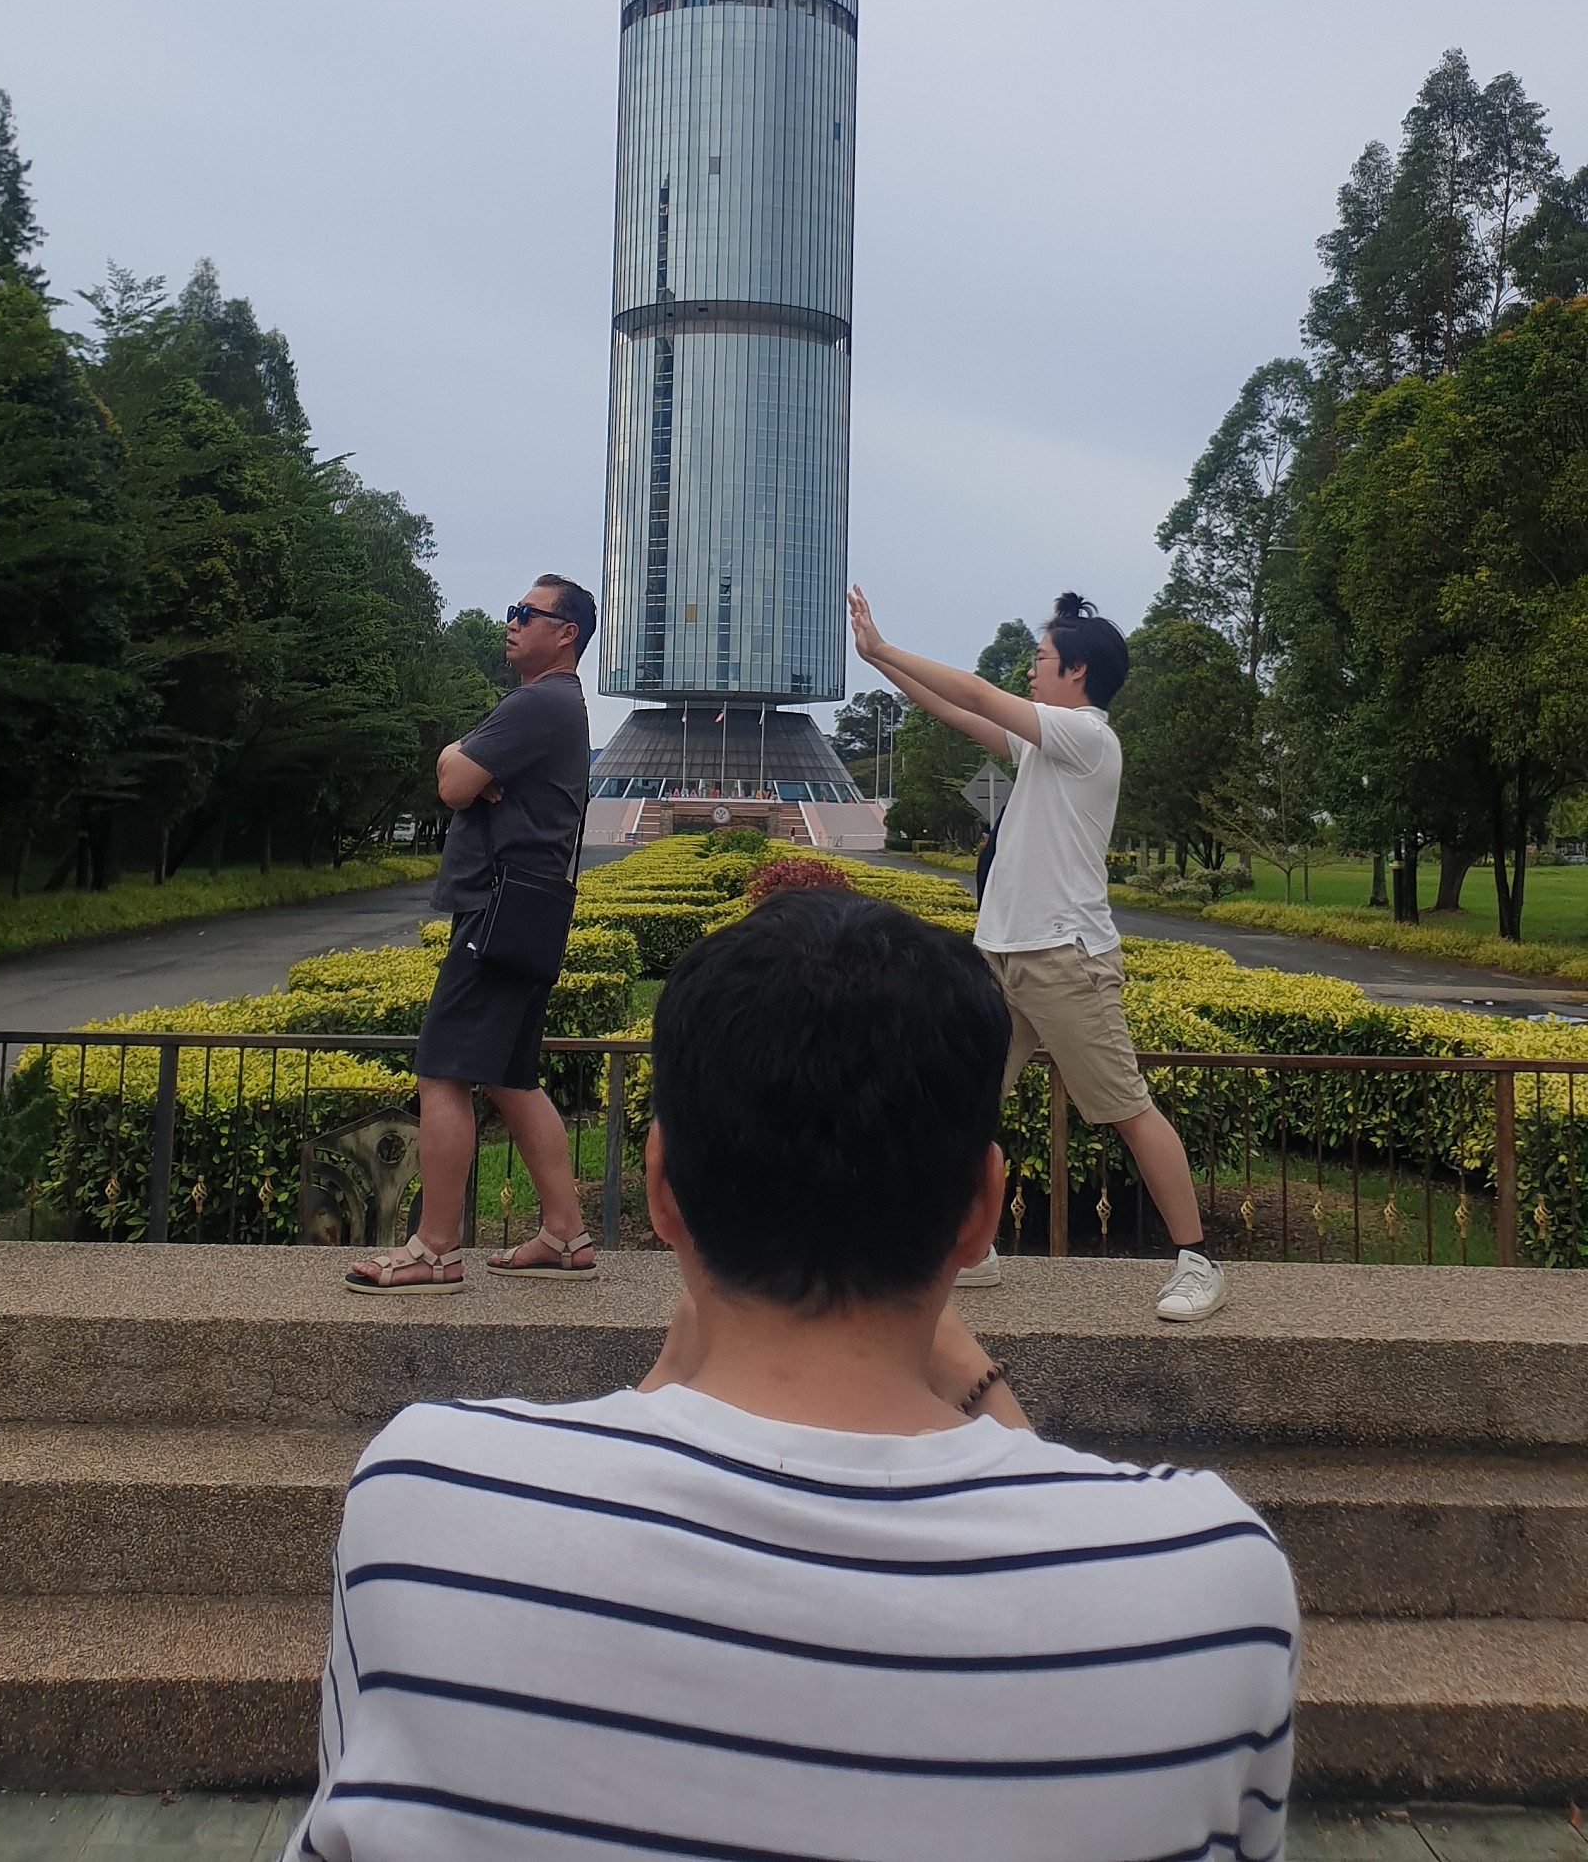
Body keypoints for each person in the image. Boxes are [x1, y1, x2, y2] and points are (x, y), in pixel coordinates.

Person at [291, 890, 1295, 1862]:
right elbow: (1051, 1557)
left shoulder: (425, 1496)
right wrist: (979, 1384)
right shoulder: (1207, 1581)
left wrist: (659, 1385)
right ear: (981, 1208)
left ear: (661, 1188)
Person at [849, 583, 1227, 1322]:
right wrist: (879, 663)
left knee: (1125, 1109)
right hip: (1002, 957)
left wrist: (889, 645)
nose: (1032, 668)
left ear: (1077, 672)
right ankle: (973, 1250)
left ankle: (1199, 1261)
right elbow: (958, 712)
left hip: (1065, 958)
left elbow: (983, 695)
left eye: (1043, 657)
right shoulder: (1043, 743)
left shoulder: (1087, 737)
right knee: (964, 1101)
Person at [345, 572, 596, 1292]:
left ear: (565, 632)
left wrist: (467, 763)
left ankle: (434, 1248)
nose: (510, 622)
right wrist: (465, 760)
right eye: (512, 612)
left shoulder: (538, 703)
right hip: (532, 909)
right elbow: (458, 769)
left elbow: (452, 783)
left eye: (526, 613)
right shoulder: (557, 705)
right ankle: (566, 1234)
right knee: (513, 1079)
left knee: (442, 1074)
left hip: (494, 909)